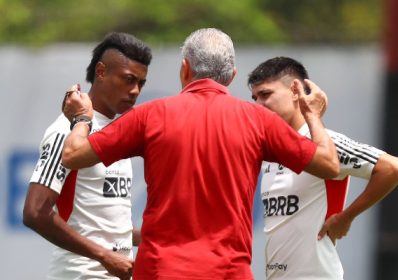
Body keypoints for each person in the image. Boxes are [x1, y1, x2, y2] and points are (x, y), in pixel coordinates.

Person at [60, 28, 340, 280]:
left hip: (160, 271)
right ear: (231, 76)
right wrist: (312, 115)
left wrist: (82, 118)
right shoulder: (258, 120)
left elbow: (73, 155)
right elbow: (329, 165)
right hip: (229, 273)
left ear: (185, 69)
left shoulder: (150, 115)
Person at [247, 56, 398, 280]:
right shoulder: (272, 152)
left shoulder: (325, 146)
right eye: (255, 98)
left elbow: (394, 168)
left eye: (266, 95)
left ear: (295, 91)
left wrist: (346, 217)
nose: (259, 105)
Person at [23, 32, 152, 280]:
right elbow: (35, 212)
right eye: (128, 79)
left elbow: (103, 227)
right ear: (101, 71)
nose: (135, 91)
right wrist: (104, 256)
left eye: (141, 83)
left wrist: (151, 236)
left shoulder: (116, 132)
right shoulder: (68, 130)